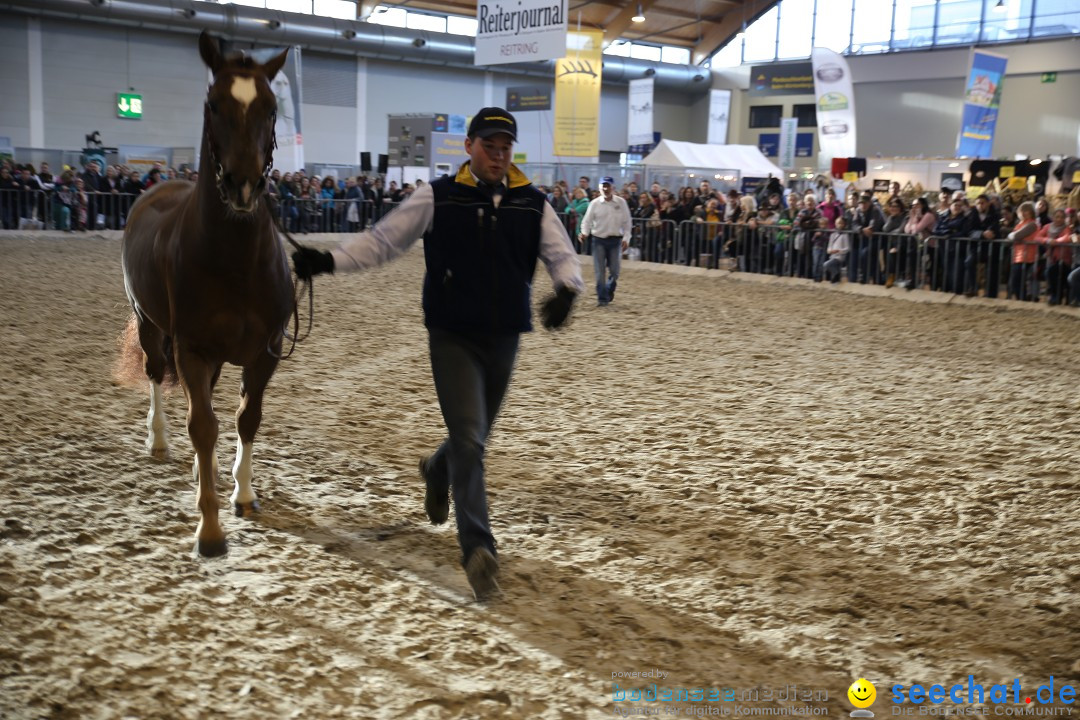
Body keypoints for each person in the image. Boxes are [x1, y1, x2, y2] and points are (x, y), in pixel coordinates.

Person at [289, 107, 584, 601]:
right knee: (470, 439)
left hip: (505, 336)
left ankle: (437, 469)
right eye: (488, 145)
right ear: (468, 147)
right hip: (452, 336)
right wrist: (329, 261)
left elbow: (560, 252)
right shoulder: (438, 197)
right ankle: (478, 550)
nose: (497, 154)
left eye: (505, 147)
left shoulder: (533, 203)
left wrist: (567, 290)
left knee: (473, 437)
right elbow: (384, 241)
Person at [579, 176, 632, 306]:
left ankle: (609, 289)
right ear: (599, 187)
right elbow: (586, 221)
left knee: (615, 271)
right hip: (598, 240)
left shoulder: (621, 203)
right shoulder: (594, 203)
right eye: (603, 186)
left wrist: (626, 238)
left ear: (613, 187)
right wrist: (584, 233)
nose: (605, 188)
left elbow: (627, 222)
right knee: (599, 271)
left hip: (615, 241)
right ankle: (602, 299)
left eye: (608, 186)